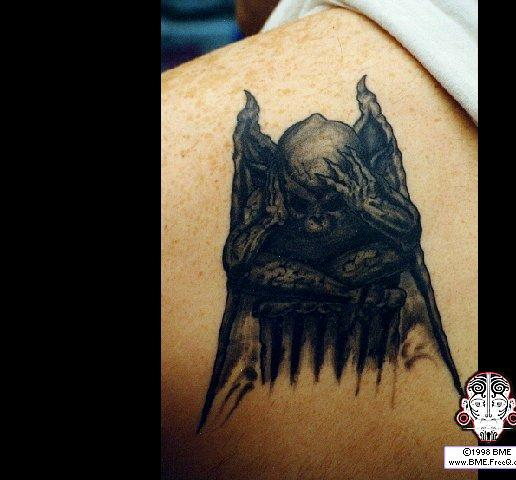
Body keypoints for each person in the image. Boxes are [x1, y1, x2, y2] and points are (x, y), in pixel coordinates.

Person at [162, 2, 477, 478]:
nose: (315, 221)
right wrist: (269, 220)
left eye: (328, 203)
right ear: (283, 185)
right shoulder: (271, 196)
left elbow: (406, 232)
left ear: (353, 181)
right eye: (303, 203)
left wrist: (365, 202)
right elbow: (238, 258)